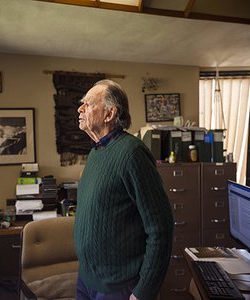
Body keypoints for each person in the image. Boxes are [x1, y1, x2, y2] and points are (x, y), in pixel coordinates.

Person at [74, 79, 174, 300]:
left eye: (88, 104)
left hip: (118, 286)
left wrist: (144, 290)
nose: (80, 109)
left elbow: (161, 228)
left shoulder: (132, 153)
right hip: (88, 279)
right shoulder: (96, 152)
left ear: (110, 114)